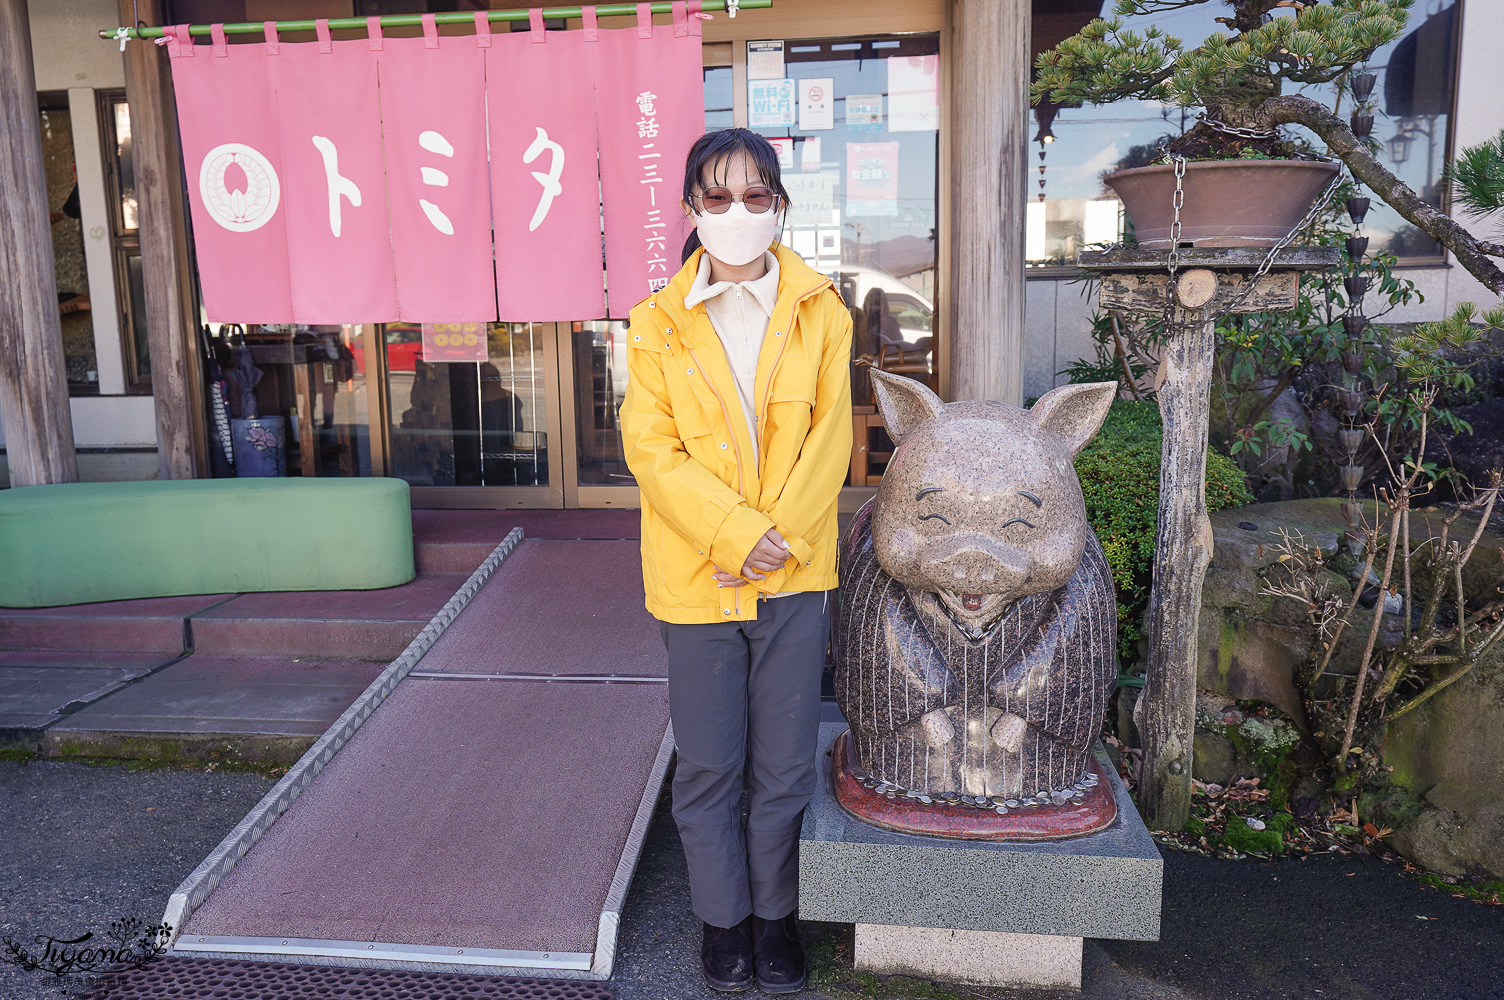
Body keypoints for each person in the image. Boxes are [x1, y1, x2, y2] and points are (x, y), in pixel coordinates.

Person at [619, 129, 853, 994]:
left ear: (781, 203)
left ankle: (776, 918)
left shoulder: (823, 309)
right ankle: (724, 923)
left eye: (756, 196)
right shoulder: (654, 326)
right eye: (717, 198)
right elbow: (653, 451)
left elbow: (830, 443)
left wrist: (770, 542)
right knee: (711, 763)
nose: (738, 213)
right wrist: (732, 536)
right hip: (693, 578)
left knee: (784, 763)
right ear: (691, 209)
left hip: (793, 574)